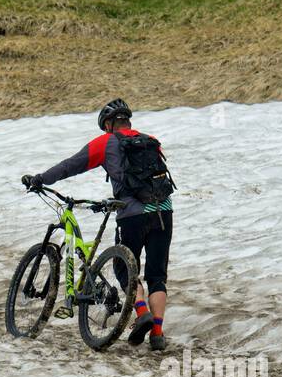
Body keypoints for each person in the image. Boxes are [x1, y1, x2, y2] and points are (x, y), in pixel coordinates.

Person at [25, 99, 174, 350]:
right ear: (128, 121)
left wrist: (40, 179)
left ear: (107, 124)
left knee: (125, 267)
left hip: (132, 214)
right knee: (157, 276)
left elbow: (70, 165)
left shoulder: (107, 142)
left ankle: (141, 314)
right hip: (164, 211)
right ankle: (157, 334)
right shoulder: (150, 141)